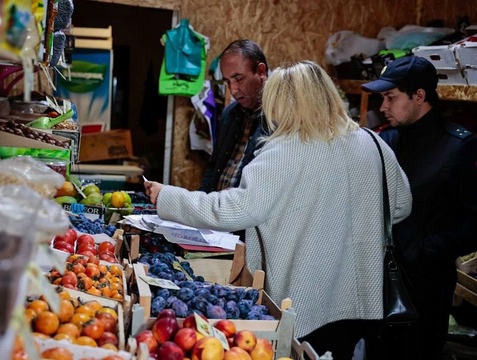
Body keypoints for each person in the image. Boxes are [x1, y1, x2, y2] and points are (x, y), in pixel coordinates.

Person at [146, 61, 412, 359]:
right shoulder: (374, 143)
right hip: (366, 299)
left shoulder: (284, 151)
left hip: (308, 302)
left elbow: (232, 210)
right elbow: (400, 205)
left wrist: (167, 197)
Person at [361, 55, 476, 360]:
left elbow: (474, 222)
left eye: (390, 97)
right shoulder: (386, 140)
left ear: (420, 96)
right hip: (377, 282)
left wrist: (425, 250)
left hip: (425, 289)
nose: (382, 107)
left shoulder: (458, 146)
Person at [199, 39, 269, 193]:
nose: (233, 90)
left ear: (261, 72)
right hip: (215, 210)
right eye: (227, 82)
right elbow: (213, 167)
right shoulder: (230, 113)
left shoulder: (277, 118)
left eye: (238, 79)